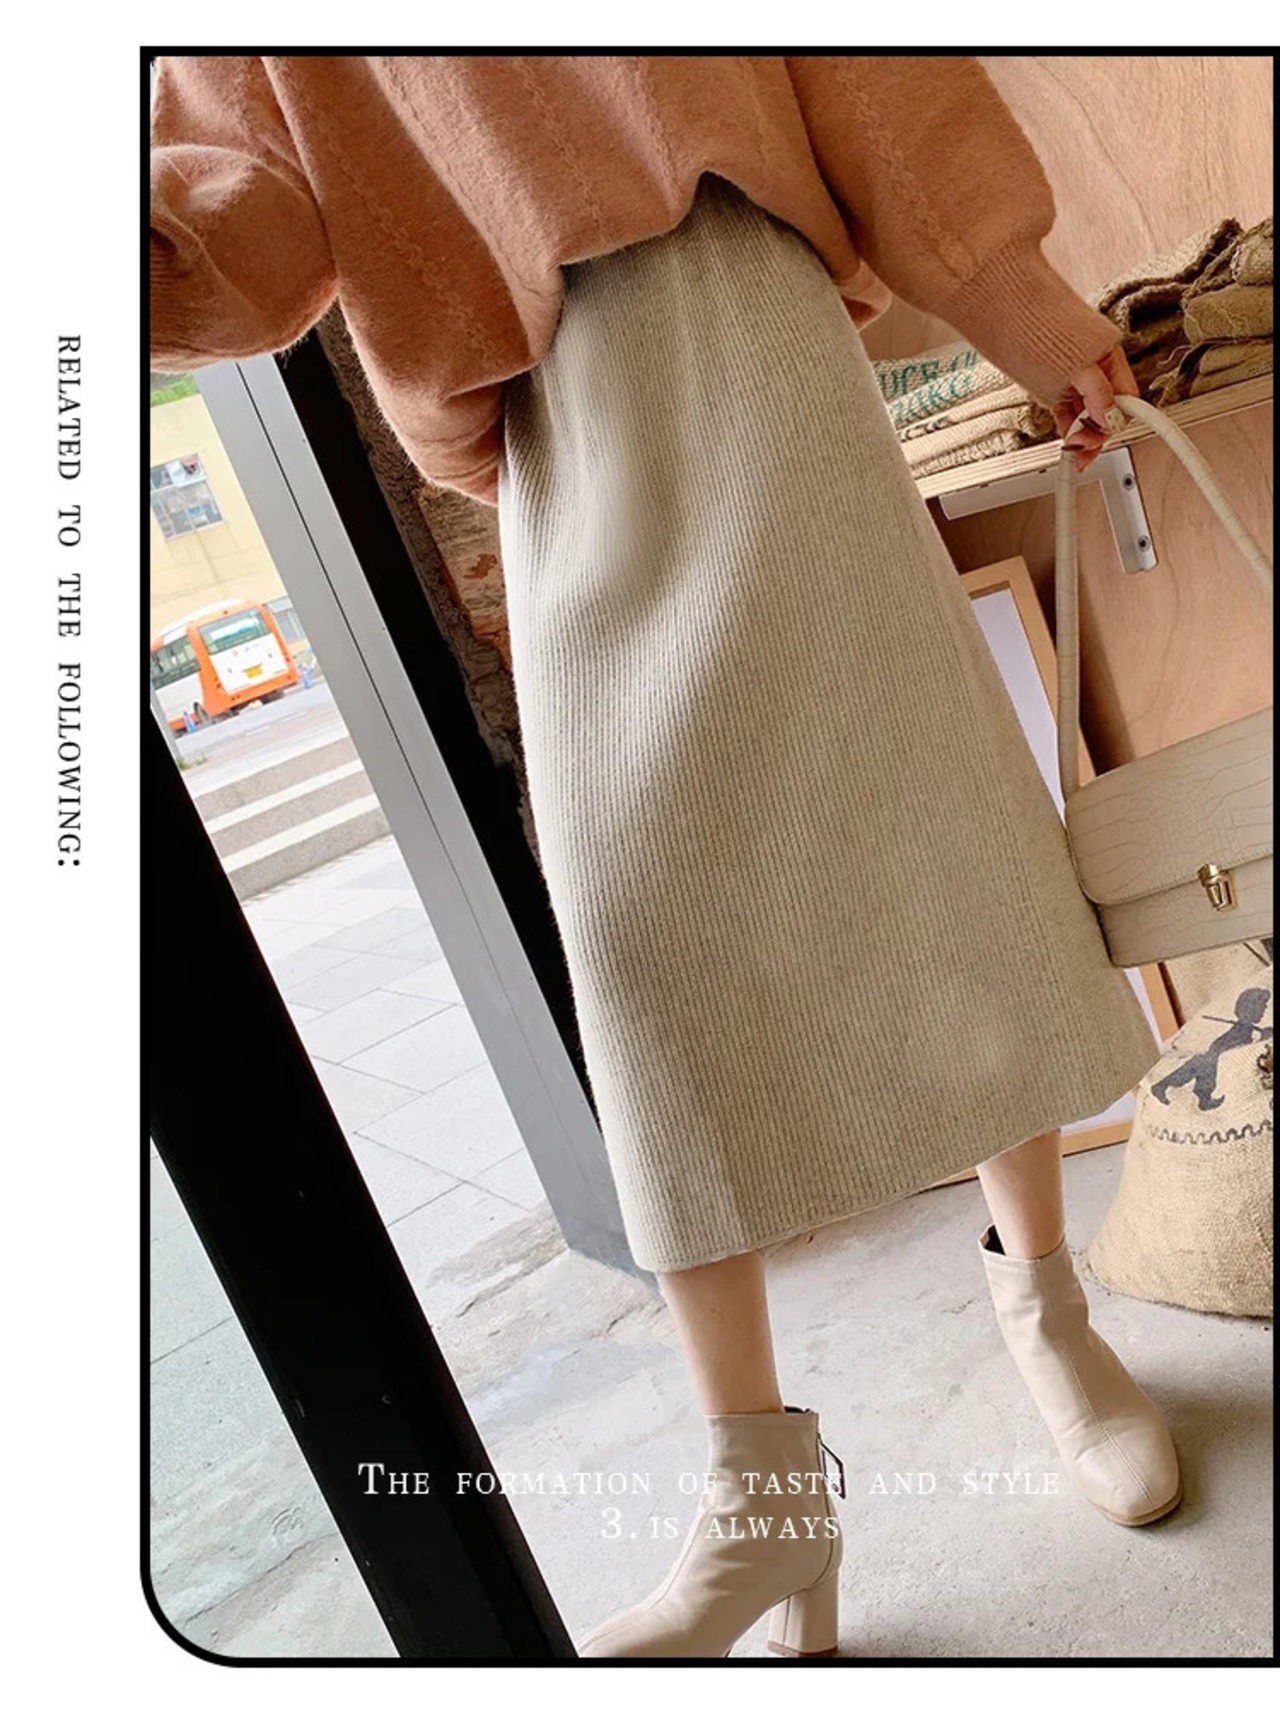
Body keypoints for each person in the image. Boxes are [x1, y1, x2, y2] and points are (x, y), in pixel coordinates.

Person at [151, 55, 1181, 1660]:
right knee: (641, 949)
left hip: (744, 306)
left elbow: (860, 67)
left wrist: (1015, 302)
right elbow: (256, 224)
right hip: (541, 420)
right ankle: (764, 1501)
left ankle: (1048, 1311)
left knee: (928, 833)